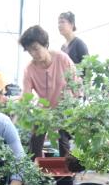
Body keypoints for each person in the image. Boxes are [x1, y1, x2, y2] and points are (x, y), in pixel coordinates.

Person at [19, 24, 76, 157]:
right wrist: (25, 111)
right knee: (35, 142)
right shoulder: (29, 69)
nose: (33, 54)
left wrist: (72, 110)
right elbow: (26, 96)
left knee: (64, 142)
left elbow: (75, 86)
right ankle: (36, 172)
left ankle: (66, 175)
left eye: (35, 49)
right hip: (44, 112)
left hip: (64, 110)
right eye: (29, 51)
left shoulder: (62, 59)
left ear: (46, 44)